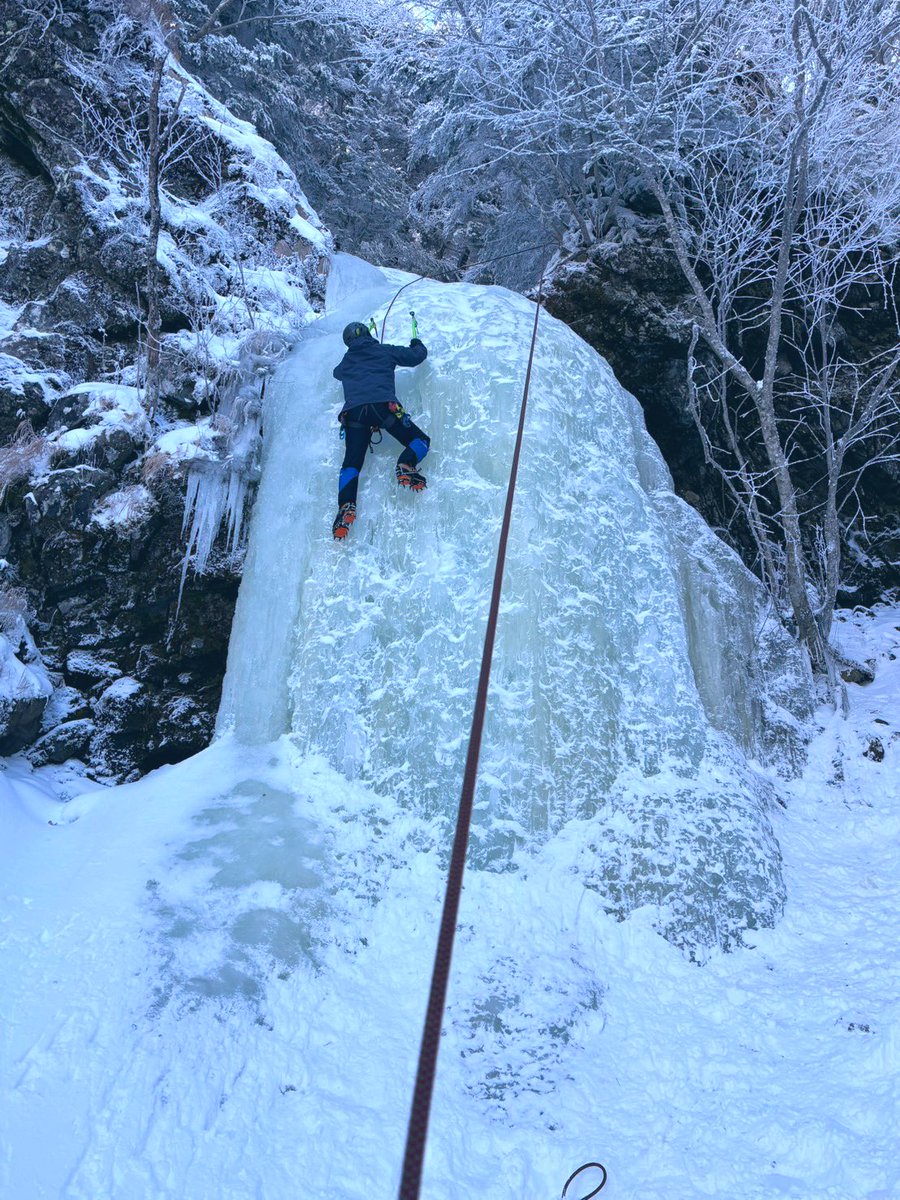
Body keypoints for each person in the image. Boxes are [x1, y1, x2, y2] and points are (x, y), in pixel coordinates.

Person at [331, 320, 430, 539]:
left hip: (355, 415)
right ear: (367, 333)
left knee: (351, 464)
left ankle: (346, 506)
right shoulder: (384, 351)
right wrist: (416, 342)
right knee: (420, 440)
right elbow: (416, 356)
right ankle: (406, 463)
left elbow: (337, 373)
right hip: (383, 408)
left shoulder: (346, 362)